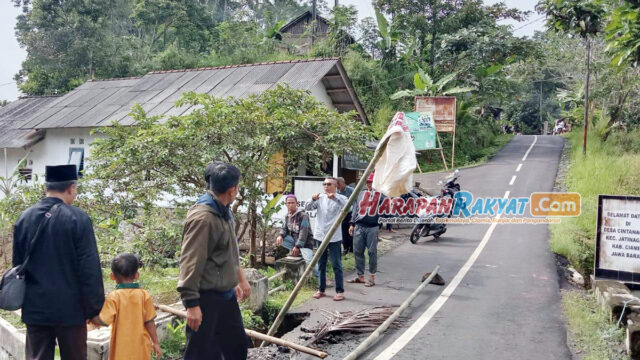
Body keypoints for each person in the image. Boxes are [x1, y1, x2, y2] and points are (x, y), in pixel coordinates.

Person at [12, 164, 104, 360]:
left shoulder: (25, 217)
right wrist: (94, 308)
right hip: (71, 310)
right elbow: (89, 268)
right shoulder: (78, 218)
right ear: (71, 188)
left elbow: (18, 266)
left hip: (35, 307)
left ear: (46, 187)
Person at [178, 162, 251, 360]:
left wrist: (237, 279)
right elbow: (190, 262)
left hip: (226, 295)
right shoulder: (203, 218)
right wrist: (192, 305)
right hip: (206, 297)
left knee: (237, 347)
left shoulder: (224, 210)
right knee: (201, 353)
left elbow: (229, 251)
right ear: (232, 190)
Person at [92, 253, 161, 360]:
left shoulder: (114, 297)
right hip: (141, 349)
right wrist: (156, 343)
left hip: (121, 350)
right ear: (137, 275)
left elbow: (103, 321)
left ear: (112, 276)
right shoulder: (144, 295)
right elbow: (149, 321)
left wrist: (90, 318)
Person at [306, 177, 347, 301]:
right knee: (321, 264)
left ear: (335, 186)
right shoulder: (320, 198)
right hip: (320, 236)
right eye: (324, 184)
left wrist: (334, 197)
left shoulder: (341, 198)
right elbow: (308, 207)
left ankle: (340, 291)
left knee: (336, 264)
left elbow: (348, 207)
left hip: (334, 237)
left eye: (329, 184)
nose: (326, 186)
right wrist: (312, 199)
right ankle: (321, 289)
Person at [348, 173, 382, 287]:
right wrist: (352, 224)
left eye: (371, 182)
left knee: (372, 252)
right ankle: (360, 276)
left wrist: (380, 225)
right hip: (359, 225)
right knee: (357, 251)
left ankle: (372, 276)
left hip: (372, 227)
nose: (369, 184)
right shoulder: (361, 193)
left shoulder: (381, 195)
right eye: (367, 182)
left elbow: (385, 210)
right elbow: (355, 209)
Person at [276, 194, 319, 278]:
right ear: (286, 204)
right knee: (280, 239)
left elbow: (304, 233)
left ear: (297, 204)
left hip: (305, 242)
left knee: (309, 261)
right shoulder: (287, 216)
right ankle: (297, 251)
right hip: (295, 241)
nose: (290, 204)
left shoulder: (303, 216)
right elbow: (284, 229)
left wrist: (297, 246)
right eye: (288, 203)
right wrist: (280, 235)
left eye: (292, 202)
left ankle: (322, 278)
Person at [336, 177, 354, 254]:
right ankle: (345, 248)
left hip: (351, 213)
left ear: (343, 183)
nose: (338, 186)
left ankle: (352, 249)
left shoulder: (351, 190)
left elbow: (356, 202)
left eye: (339, 184)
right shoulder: (337, 192)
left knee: (351, 230)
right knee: (343, 231)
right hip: (342, 214)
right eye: (337, 185)